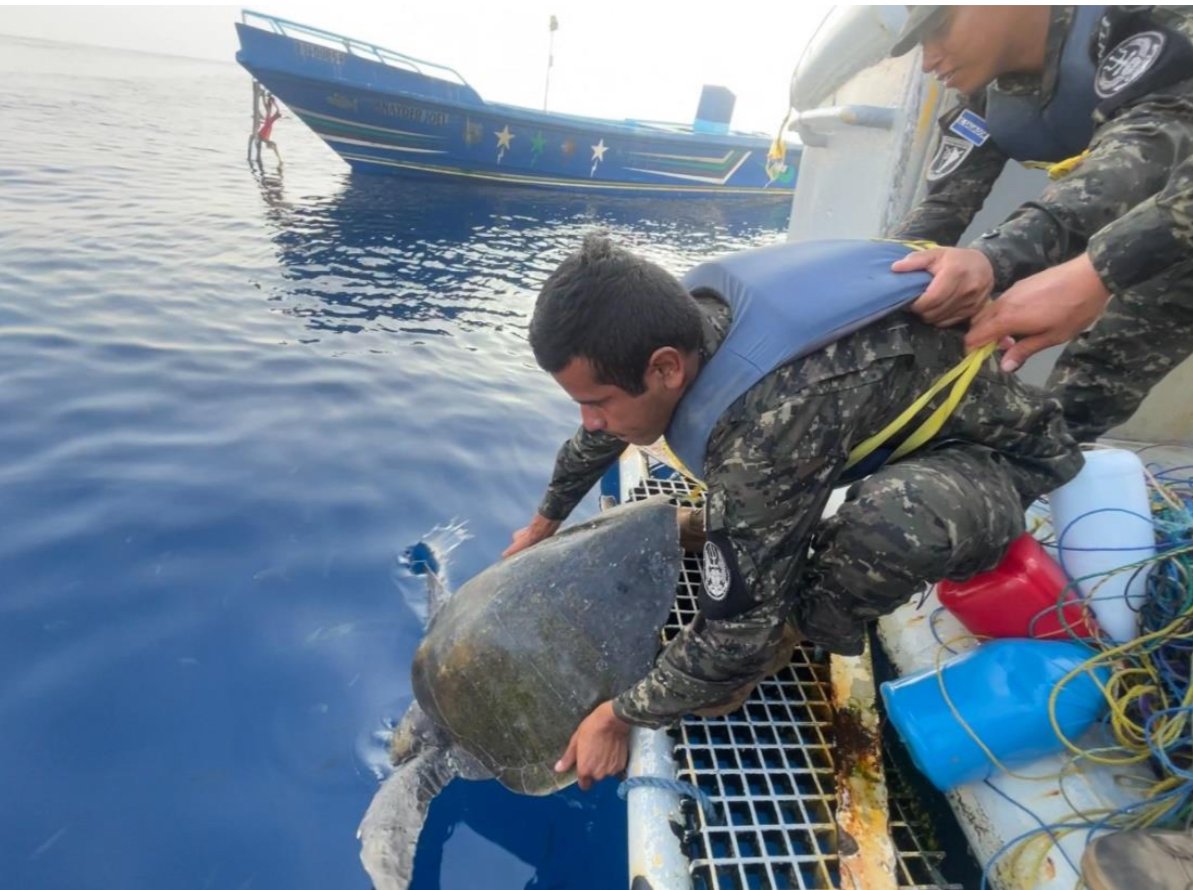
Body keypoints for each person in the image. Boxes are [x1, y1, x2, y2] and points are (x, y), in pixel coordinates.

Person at [506, 233, 1082, 790]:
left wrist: (619, 715)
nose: (590, 420)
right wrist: (545, 521)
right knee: (749, 504)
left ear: (664, 369)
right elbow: (600, 435)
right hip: (869, 419)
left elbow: (734, 636)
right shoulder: (682, 319)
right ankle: (728, 533)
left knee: (886, 525)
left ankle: (796, 626)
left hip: (998, 456)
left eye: (596, 403)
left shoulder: (765, 427)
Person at [884, 5, 1193, 442]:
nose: (929, 59)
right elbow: (941, 211)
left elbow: (1138, 162)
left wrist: (992, 260)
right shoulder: (986, 99)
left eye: (939, 29)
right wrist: (884, 276)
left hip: (1179, 226)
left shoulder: (1142, 29)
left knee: (1096, 374)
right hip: (1144, 226)